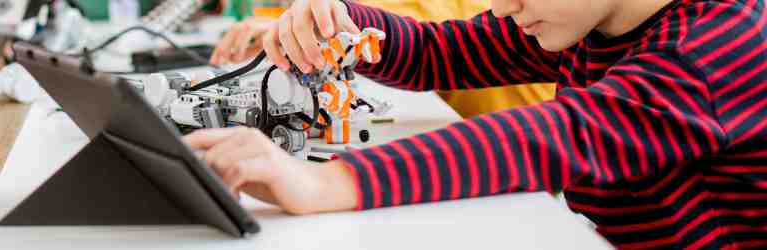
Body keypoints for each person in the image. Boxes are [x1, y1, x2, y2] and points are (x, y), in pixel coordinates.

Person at [185, 0, 766, 248]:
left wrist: (324, 183)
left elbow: (553, 137)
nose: (504, 4)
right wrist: (343, 21)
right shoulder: (588, 20)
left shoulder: (719, 44)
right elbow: (443, 50)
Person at [211, 0, 557, 119]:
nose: (503, 7)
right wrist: (338, 15)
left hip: (510, 154)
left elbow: (428, 30)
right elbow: (430, 51)